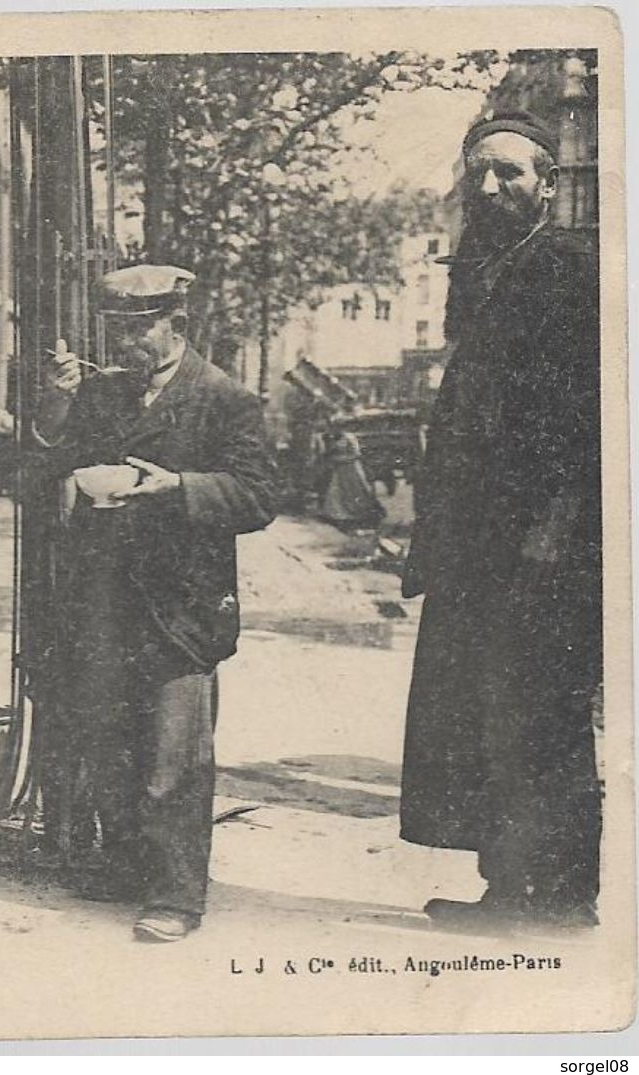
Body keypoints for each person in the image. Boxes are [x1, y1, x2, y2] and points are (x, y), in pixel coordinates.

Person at [400, 113, 602, 932]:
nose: (490, 189)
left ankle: (556, 894)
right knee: (486, 709)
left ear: (547, 185)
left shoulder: (566, 269)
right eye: (478, 175)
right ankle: (507, 886)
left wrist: (555, 526)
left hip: (541, 541)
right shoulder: (482, 268)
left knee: (540, 710)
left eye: (509, 174)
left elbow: (590, 418)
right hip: (478, 540)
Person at [35, 264, 276, 943]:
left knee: (174, 757)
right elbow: (45, 469)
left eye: (138, 330)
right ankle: (124, 866)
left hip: (181, 605)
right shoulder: (100, 395)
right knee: (109, 743)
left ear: (176, 324)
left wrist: (175, 487)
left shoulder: (224, 398)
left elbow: (258, 497)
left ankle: (175, 894)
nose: (124, 344)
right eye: (116, 330)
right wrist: (53, 413)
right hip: (102, 598)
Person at [316, 421, 385, 530]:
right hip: (340, 469)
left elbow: (356, 454)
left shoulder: (349, 437)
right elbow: (329, 453)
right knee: (337, 491)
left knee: (355, 490)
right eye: (333, 428)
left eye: (338, 427)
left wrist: (343, 459)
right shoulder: (333, 438)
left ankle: (360, 515)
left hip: (351, 467)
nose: (335, 430)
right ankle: (339, 515)